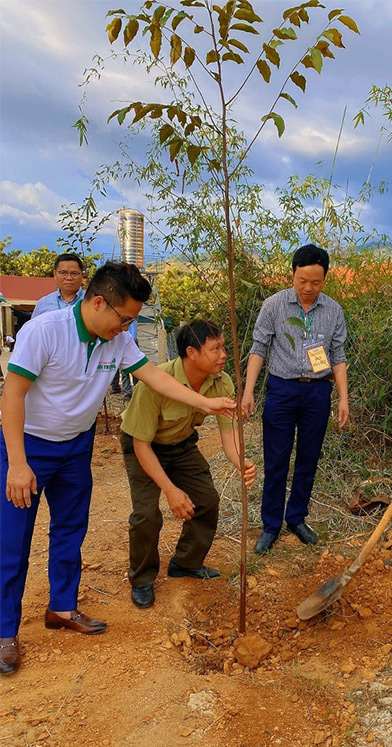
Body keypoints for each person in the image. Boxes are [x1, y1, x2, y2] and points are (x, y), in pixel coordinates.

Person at [0, 262, 235, 675]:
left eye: (132, 320)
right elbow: (13, 395)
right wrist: (17, 463)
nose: (126, 328)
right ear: (98, 302)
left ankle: (62, 608)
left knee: (71, 530)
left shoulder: (117, 340)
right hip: (30, 446)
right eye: (123, 318)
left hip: (76, 447)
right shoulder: (44, 331)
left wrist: (206, 404)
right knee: (13, 542)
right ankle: (4, 632)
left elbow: (152, 377)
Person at [120, 319, 257, 608]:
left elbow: (228, 434)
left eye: (223, 347)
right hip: (143, 446)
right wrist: (170, 490)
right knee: (147, 515)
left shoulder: (222, 382)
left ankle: (186, 562)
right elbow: (141, 446)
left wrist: (240, 462)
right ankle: (142, 578)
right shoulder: (155, 383)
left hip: (181, 445)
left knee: (206, 500)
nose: (223, 355)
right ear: (192, 353)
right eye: (215, 349)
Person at [241, 244, 349, 554]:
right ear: (293, 275)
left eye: (316, 282)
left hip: (317, 391)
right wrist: (248, 392)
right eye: (302, 280)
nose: (308, 288)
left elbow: (338, 356)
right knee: (276, 460)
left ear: (325, 279)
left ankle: (297, 518)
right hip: (282, 389)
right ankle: (271, 525)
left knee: (308, 458)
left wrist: (343, 398)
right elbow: (259, 349)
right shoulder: (274, 306)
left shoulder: (333, 311)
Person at [31, 253, 86, 318]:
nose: (69, 278)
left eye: (74, 273)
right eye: (63, 273)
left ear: (82, 276)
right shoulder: (43, 303)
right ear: (55, 274)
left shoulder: (91, 301)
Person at [111, 319, 138, 397]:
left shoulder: (131, 320)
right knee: (125, 370)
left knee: (131, 369)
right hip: (123, 343)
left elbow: (133, 334)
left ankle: (133, 390)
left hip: (128, 344)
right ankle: (128, 392)